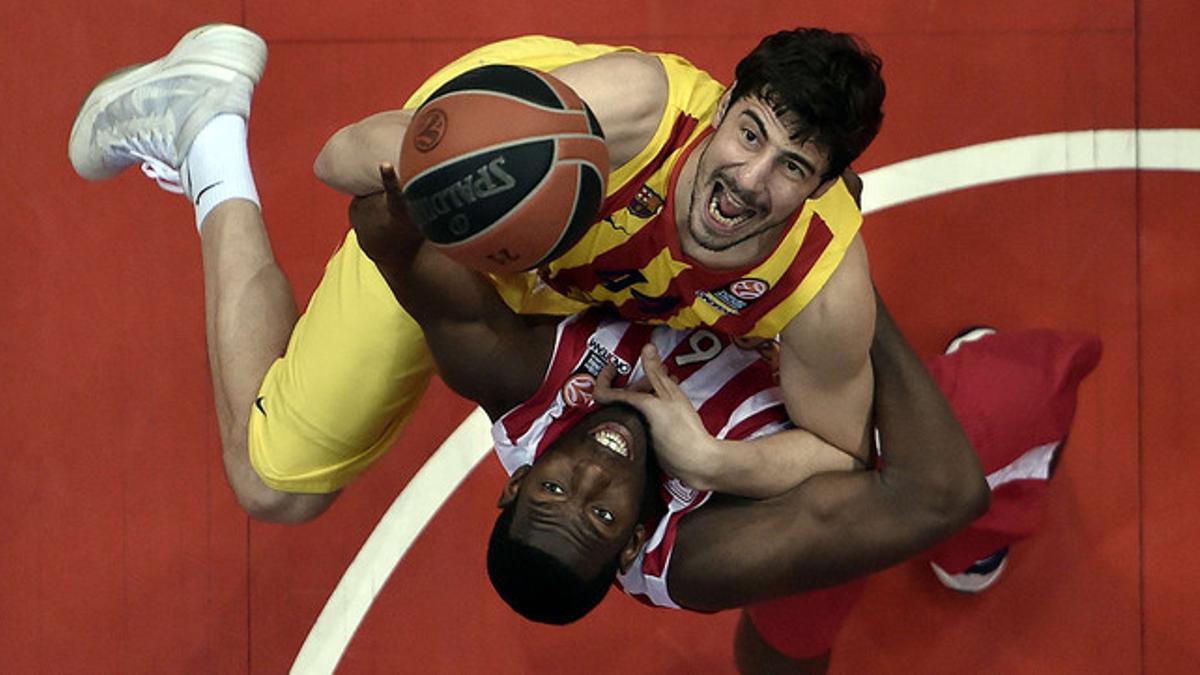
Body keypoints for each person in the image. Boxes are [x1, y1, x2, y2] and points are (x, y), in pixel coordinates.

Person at [69, 23, 884, 522]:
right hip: (492, 184)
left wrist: (712, 463)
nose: (750, 179)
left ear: (821, 186)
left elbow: (839, 450)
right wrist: (458, 187)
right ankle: (205, 122)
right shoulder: (627, 114)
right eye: (749, 134)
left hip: (576, 278)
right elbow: (341, 157)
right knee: (273, 484)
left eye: (790, 166)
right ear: (724, 103)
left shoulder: (822, 284)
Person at [347, 167, 1099, 672]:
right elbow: (935, 492)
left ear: (515, 486)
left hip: (793, 404)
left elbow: (395, 246)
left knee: (796, 621)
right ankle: (999, 519)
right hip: (857, 453)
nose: (593, 470)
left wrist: (415, 215)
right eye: (603, 510)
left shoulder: (510, 384)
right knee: (1024, 393)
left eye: (551, 490)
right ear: (636, 536)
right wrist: (832, 271)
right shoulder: (699, 555)